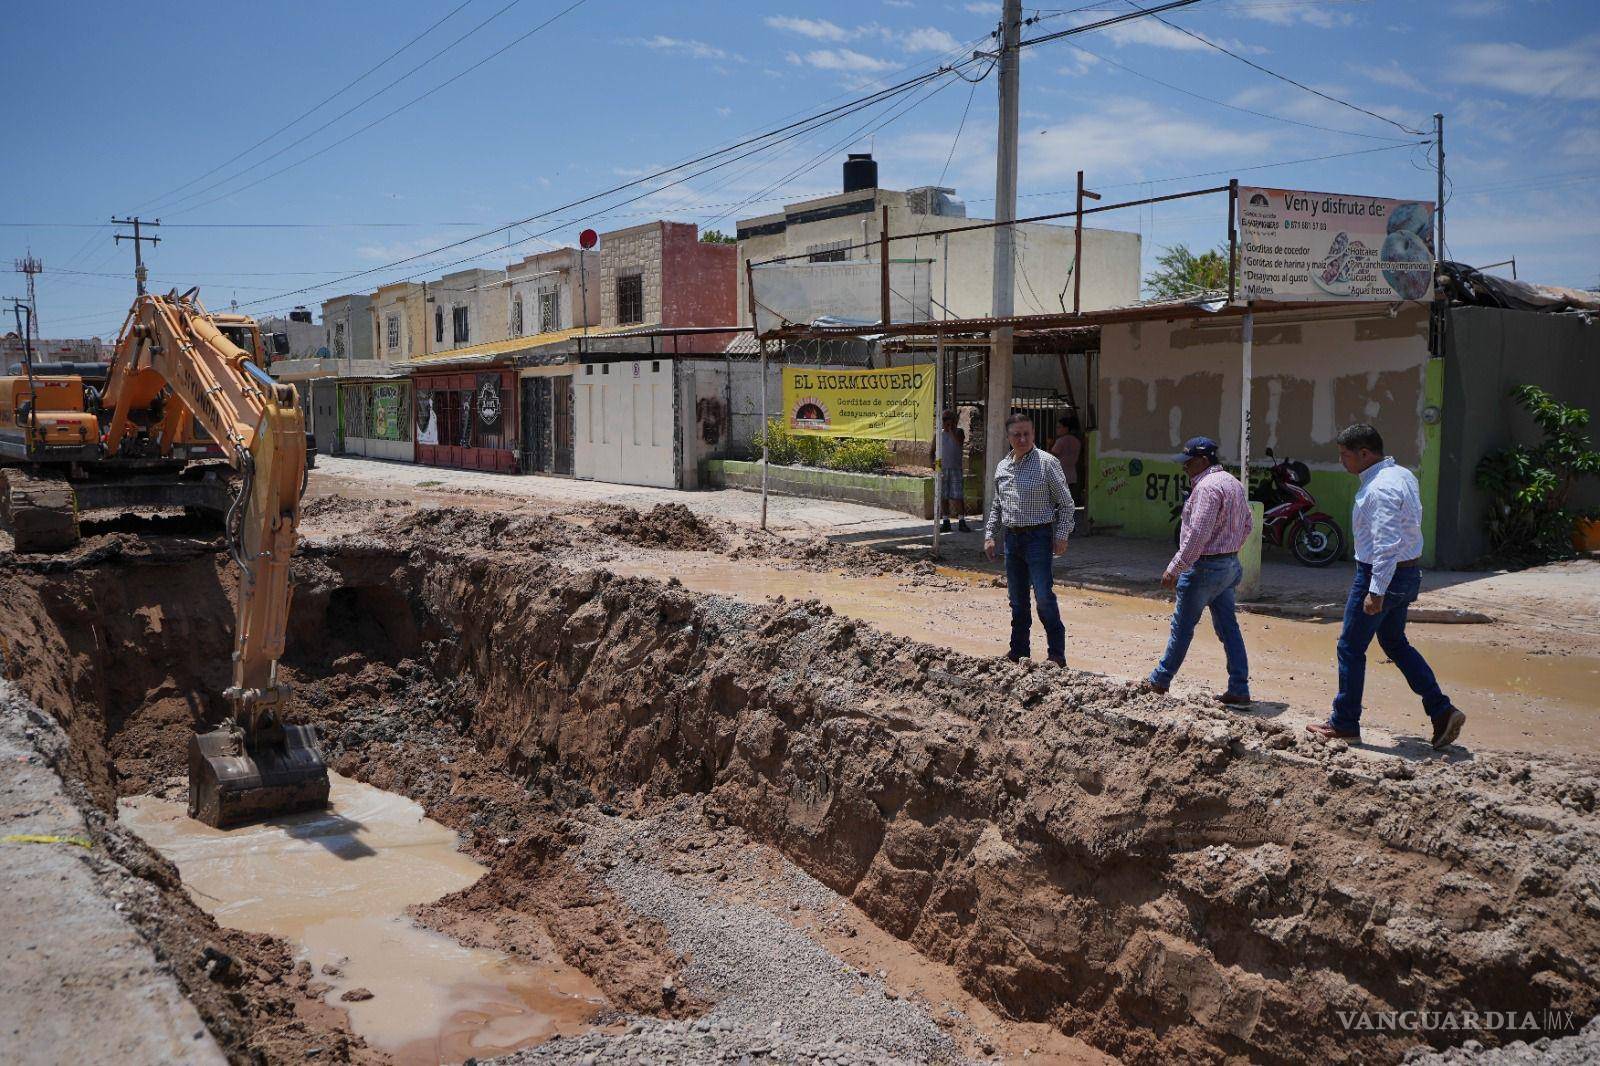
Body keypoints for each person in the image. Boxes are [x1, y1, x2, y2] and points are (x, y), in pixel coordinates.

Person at [1306, 423, 1466, 749]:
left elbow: (1387, 544)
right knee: (1394, 642)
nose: (1342, 461)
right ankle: (1441, 709)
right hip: (1407, 573)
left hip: (1381, 575)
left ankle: (1345, 723)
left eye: (1345, 455)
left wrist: (1375, 591)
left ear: (1365, 453)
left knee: (1350, 648)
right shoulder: (1402, 475)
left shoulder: (1379, 489)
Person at [1143, 437, 1253, 704]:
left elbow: (1197, 536)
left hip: (1204, 568)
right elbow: (1248, 524)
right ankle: (1239, 688)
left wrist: (1175, 568)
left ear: (1203, 461)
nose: (1185, 467)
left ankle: (1159, 681)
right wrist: (1229, 551)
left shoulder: (1206, 488)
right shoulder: (1233, 483)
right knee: (1229, 628)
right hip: (1229, 566)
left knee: (1182, 628)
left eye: (1189, 462)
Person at [984, 413, 1075, 665]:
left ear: (1033, 434)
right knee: (1017, 600)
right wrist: (990, 535)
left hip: (1038, 538)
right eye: (1017, 434)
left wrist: (1062, 535)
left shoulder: (1047, 463)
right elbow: (997, 505)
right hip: (1012, 539)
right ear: (1008, 437)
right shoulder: (1003, 466)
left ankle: (1056, 655)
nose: (1022, 439)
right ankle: (1018, 651)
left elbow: (1067, 503)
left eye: (1027, 434)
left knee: (1043, 596)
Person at [937, 411, 970, 533]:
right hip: (942, 469)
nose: (946, 422)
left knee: (958, 496)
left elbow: (959, 443)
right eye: (944, 419)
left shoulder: (959, 432)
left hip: (956, 469)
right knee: (943, 496)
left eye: (949, 419)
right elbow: (933, 451)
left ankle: (961, 521)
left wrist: (950, 430)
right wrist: (936, 467)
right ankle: (946, 521)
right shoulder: (938, 434)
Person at [1050, 413, 1082, 488]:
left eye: (1059, 427)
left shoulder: (1061, 441)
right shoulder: (1076, 440)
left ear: (1066, 428)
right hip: (1072, 476)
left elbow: (1053, 455)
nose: (1057, 429)